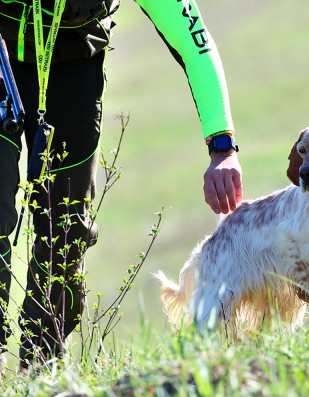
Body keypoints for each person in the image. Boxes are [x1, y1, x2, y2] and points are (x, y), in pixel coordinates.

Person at [0, 0, 242, 368]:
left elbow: (193, 37)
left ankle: (39, 369)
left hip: (73, 71)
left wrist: (221, 144)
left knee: (64, 236)